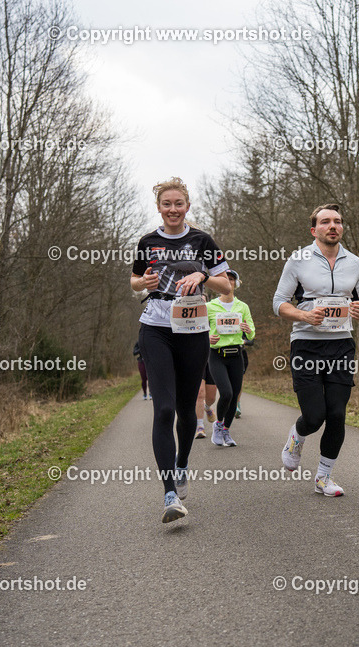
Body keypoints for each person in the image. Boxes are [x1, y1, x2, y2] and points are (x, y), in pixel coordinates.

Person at [131, 177, 231, 523]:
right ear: (159, 207)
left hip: (193, 330)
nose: (172, 209)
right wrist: (141, 283)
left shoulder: (202, 240)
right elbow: (133, 281)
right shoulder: (148, 242)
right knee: (164, 410)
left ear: (187, 207)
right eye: (166, 204)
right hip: (156, 328)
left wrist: (203, 276)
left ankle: (183, 463)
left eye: (179, 204)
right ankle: (169, 493)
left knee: (189, 410)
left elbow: (228, 282)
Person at [273, 203, 359, 497]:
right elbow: (278, 302)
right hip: (306, 343)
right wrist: (303, 315)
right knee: (315, 416)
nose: (333, 226)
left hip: (341, 344)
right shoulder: (298, 260)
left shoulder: (355, 262)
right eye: (326, 221)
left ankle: (324, 477)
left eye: (338, 221)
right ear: (314, 229)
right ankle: (297, 436)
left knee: (337, 414)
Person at [206, 269, 255, 446]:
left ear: (235, 283)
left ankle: (226, 431)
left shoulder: (242, 307)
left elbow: (251, 334)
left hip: (237, 354)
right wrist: (206, 338)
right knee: (226, 393)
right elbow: (198, 330)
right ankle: (218, 426)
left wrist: (248, 331)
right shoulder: (209, 306)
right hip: (216, 354)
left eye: (232, 279)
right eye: (224, 279)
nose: (229, 282)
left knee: (234, 396)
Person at [195, 372, 218, 438]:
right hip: (198, 363)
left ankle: (207, 407)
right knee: (200, 393)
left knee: (211, 398)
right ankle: (200, 427)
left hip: (209, 363)